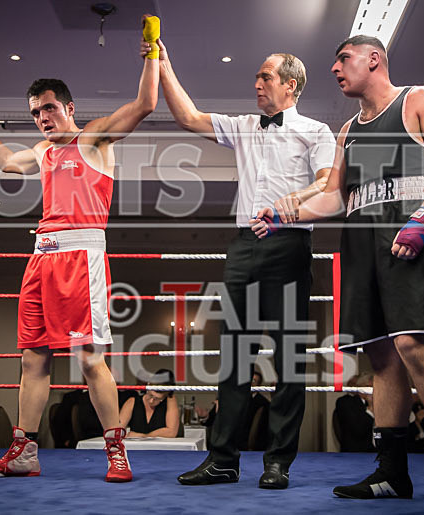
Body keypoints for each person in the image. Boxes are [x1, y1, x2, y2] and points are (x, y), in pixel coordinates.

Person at [253, 35, 424, 510]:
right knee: (380, 355)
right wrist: (286, 214)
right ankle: (392, 472)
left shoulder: (419, 99)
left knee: (412, 343)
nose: (336, 69)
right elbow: (334, 196)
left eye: (343, 59)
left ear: (373, 59)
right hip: (360, 240)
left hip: (409, 228)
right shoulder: (348, 131)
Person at [0, 15, 159, 481]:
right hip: (41, 259)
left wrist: (152, 50)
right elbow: (6, 161)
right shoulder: (44, 152)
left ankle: (116, 452)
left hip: (81, 257)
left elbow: (146, 103)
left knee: (90, 359)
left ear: (69, 107)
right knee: (33, 358)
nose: (42, 117)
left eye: (48, 108)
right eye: (34, 112)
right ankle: (25, 453)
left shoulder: (94, 138)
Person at [144, 37, 336, 490]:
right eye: (256, 76)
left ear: (290, 85)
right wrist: (164, 63)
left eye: (264, 76)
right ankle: (223, 458)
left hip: (290, 242)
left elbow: (329, 182)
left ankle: (278, 463)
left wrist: (295, 199)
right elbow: (188, 117)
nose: (256, 83)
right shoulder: (246, 124)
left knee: (289, 356)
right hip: (244, 244)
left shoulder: (315, 131)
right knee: (233, 355)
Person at [119, 369, 180, 438]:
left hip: (161, 447)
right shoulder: (132, 402)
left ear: (166, 395)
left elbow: (171, 432)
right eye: (150, 395)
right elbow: (117, 430)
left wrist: (144, 436)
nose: (151, 401)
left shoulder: (170, 400)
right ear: (148, 385)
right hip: (136, 447)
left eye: (157, 399)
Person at [333, 373, 375, 452]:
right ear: (360, 388)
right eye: (369, 387)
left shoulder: (380, 403)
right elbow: (358, 430)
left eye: (374, 388)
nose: (372, 391)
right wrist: (371, 408)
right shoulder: (345, 402)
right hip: (356, 451)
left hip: (378, 451)